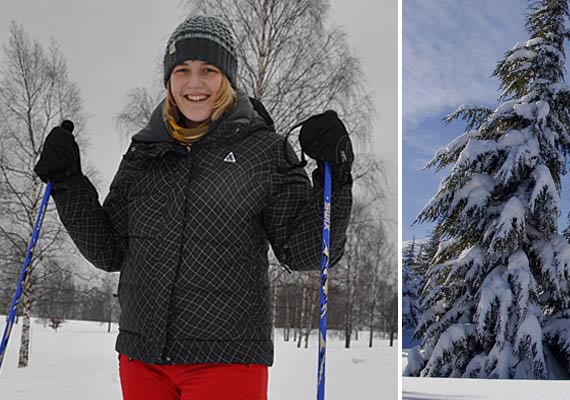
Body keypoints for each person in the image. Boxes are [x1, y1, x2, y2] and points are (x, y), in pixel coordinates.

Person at [32, 15, 353, 400]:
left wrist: (337, 174)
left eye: (208, 69)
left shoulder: (264, 150)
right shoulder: (144, 151)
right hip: (143, 359)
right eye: (182, 69)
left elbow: (305, 252)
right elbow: (110, 250)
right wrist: (68, 183)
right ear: (169, 79)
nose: (194, 82)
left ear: (227, 77)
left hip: (227, 359)